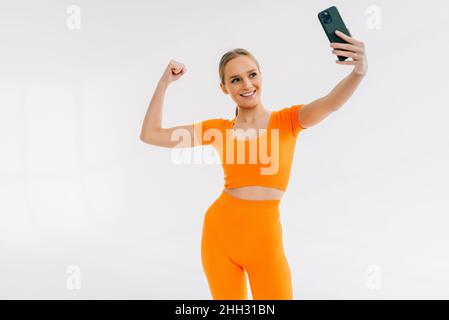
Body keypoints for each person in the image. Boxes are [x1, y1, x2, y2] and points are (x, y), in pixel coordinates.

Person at [140, 30, 367, 299]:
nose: (246, 84)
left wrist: (358, 73)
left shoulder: (289, 121)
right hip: (219, 236)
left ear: (261, 75)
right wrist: (164, 83)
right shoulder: (217, 130)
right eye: (235, 79)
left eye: (252, 74)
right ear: (225, 88)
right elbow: (150, 134)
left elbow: (331, 103)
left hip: (264, 242)